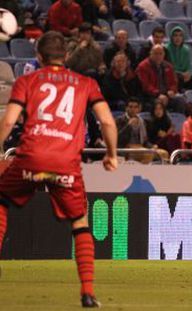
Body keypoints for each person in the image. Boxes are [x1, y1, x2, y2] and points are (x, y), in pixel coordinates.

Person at [0, 31, 118, 307]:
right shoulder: (86, 83)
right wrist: (111, 155)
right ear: (65, 56)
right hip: (66, 165)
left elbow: (8, 123)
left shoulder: (27, 81)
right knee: (79, 222)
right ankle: (87, 292)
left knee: (1, 200)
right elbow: (108, 123)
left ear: (39, 57)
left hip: (30, 159)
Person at [136, 44, 186, 113]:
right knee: (158, 103)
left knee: (180, 101)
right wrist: (158, 94)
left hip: (166, 94)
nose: (158, 56)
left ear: (164, 55)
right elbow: (146, 86)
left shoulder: (168, 66)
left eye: (160, 54)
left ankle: (178, 121)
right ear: (150, 53)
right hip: (150, 96)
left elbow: (174, 82)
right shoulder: (143, 67)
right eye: (156, 54)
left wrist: (172, 90)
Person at [116, 97, 168, 163]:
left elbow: (145, 141)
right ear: (126, 108)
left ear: (139, 109)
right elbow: (118, 139)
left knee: (164, 153)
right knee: (147, 154)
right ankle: (145, 172)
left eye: (135, 107)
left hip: (141, 147)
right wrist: (128, 126)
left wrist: (152, 146)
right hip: (127, 148)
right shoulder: (120, 120)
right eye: (130, 107)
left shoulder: (142, 121)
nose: (133, 109)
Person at [166, 26, 192, 92]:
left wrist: (187, 73)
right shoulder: (166, 49)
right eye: (175, 35)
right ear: (171, 37)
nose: (178, 38)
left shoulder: (185, 49)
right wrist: (180, 73)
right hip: (171, 76)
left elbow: (188, 65)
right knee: (179, 78)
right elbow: (167, 67)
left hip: (183, 76)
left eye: (180, 36)